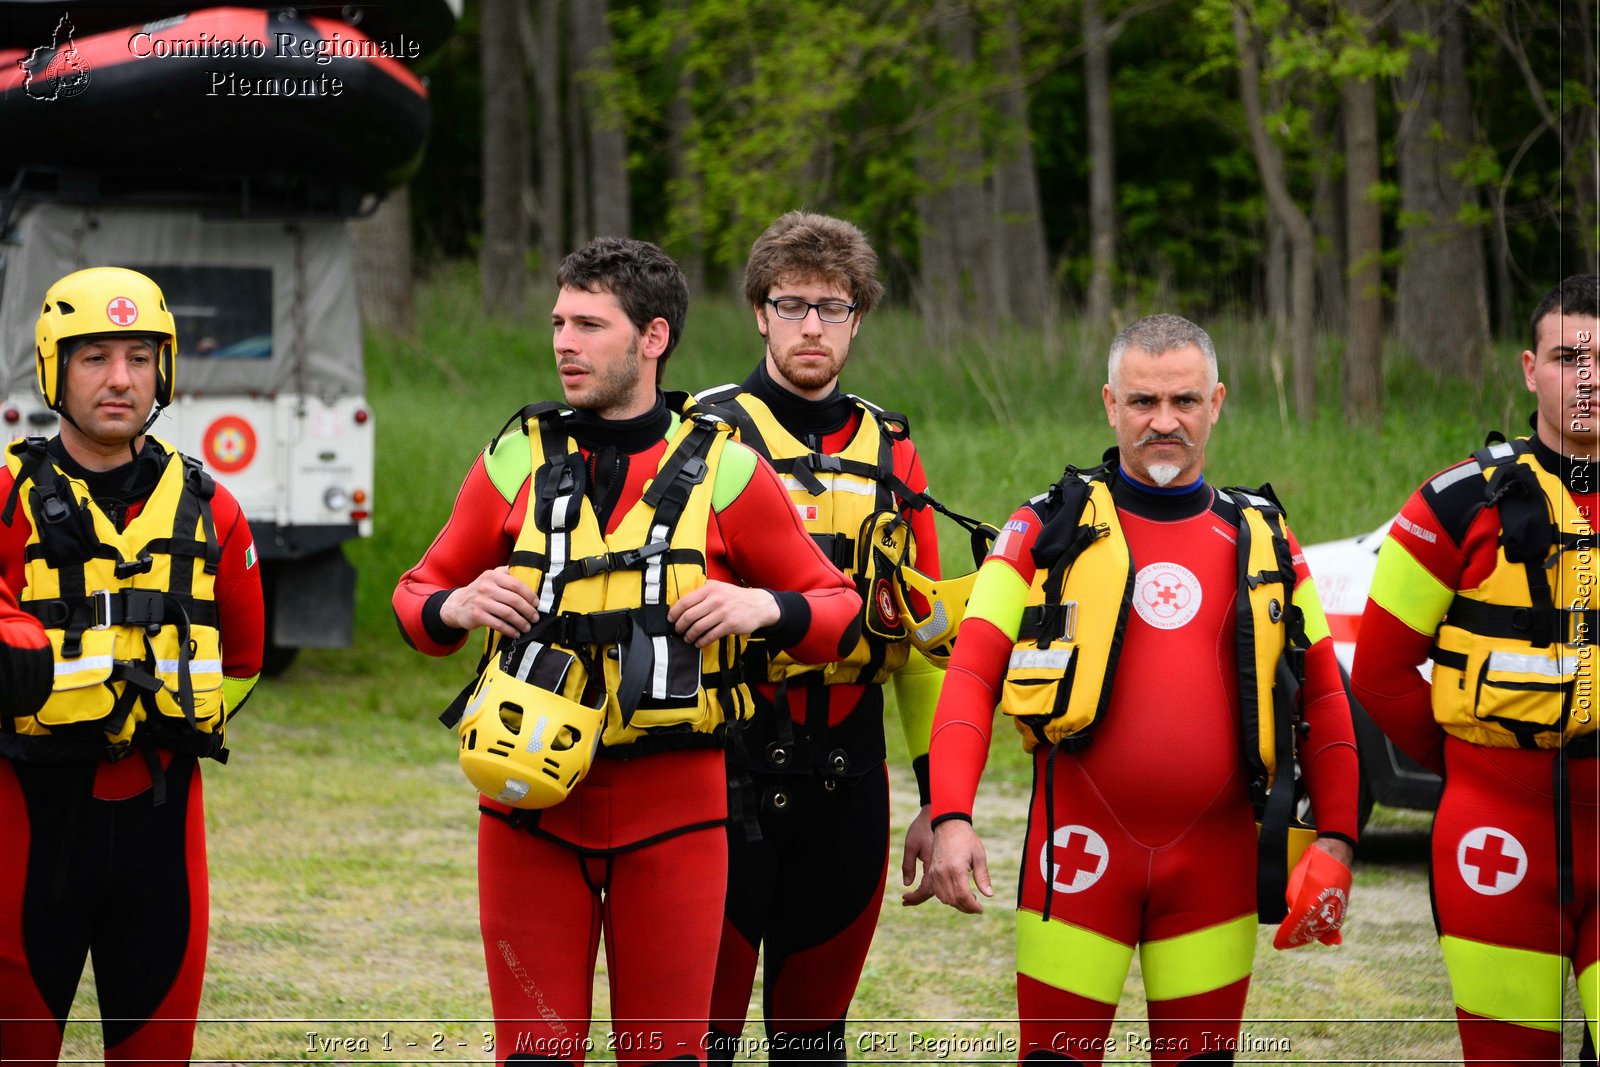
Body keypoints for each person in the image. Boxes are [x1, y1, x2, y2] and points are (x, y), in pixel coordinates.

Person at [392, 237, 861, 1067]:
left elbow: (839, 609)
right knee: (534, 1058)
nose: (563, 343)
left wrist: (760, 604)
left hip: (676, 811)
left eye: (589, 325)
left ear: (653, 338)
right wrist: (455, 603)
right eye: (558, 322)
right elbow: (414, 595)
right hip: (526, 807)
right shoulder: (517, 457)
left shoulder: (726, 470)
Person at [926, 314, 1360, 1064]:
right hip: (1079, 853)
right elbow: (970, 672)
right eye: (1142, 402)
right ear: (1109, 402)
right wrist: (952, 813)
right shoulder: (1042, 529)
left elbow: (1323, 692)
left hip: (1215, 863)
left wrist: (1340, 838)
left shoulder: (1265, 539)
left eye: (1184, 401)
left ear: (1217, 402)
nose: (1164, 421)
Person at [692, 211, 948, 1063]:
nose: (811, 325)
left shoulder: (893, 448)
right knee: (701, 1040)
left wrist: (939, 801)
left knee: (813, 1044)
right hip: (724, 764)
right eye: (791, 303)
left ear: (857, 319)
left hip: (849, 774)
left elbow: (924, 638)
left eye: (831, 307)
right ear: (758, 313)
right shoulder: (700, 431)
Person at [0, 266, 265, 1063]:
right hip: (27, 824)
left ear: (165, 369)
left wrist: (170, 711)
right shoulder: (9, 495)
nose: (121, 379)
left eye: (140, 357)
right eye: (95, 358)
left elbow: (245, 659)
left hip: (161, 828)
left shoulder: (210, 506)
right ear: (54, 367)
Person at [1351, 274, 1598, 1064]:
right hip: (1497, 836)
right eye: (1568, 358)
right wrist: (1471, 767)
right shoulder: (1454, 504)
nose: (1588, 380)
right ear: (1530, 368)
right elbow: (1382, 674)